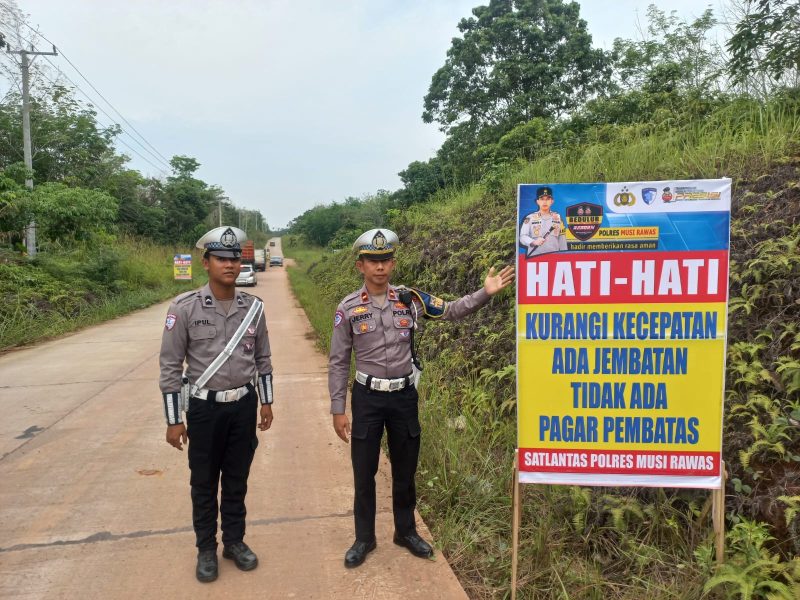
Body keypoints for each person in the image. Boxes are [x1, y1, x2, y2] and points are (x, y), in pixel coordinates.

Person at [328, 228, 515, 568]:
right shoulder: (349, 308)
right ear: (360, 266)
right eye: (373, 261)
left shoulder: (410, 300)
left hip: (402, 397)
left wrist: (485, 293)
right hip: (367, 398)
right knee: (364, 470)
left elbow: (454, 310)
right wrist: (338, 408)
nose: (380, 267)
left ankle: (406, 531)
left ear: (393, 263)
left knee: (405, 468)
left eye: (385, 260)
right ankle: (364, 538)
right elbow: (339, 360)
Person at [159, 226, 275, 583]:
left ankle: (235, 542)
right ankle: (206, 548)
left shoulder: (253, 309)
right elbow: (169, 365)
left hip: (243, 404)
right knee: (205, 482)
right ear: (205, 262)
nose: (229, 264)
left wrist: (266, 402)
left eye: (234, 258)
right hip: (204, 410)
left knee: (237, 479)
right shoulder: (184, 308)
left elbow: (263, 358)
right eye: (221, 259)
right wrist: (173, 419)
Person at [519, 186, 567, 257]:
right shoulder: (530, 218)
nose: (545, 202)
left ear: (552, 201)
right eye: (542, 199)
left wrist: (564, 256)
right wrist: (533, 242)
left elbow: (562, 239)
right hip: (534, 257)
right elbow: (522, 237)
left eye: (548, 199)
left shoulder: (558, 218)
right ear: (537, 201)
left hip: (554, 257)